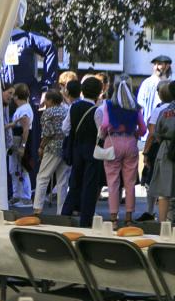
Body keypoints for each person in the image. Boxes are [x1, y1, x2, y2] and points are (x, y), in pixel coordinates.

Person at [99, 80, 146, 226]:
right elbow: (143, 129)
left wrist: (102, 135)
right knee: (130, 182)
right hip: (130, 142)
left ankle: (113, 218)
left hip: (113, 142)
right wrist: (135, 134)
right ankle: (129, 217)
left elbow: (105, 124)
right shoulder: (135, 106)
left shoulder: (108, 104)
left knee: (113, 181)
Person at [62, 76, 105, 228]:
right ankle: (86, 220)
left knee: (74, 182)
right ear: (98, 93)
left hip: (76, 149)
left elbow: (65, 128)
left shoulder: (73, 107)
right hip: (92, 151)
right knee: (90, 185)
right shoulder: (97, 110)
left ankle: (65, 214)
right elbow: (101, 133)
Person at [148, 83, 175, 223]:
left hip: (166, 148)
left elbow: (156, 133)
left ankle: (163, 224)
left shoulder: (165, 112)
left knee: (164, 190)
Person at [7, 83, 34, 207]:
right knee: (14, 169)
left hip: (20, 140)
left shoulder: (25, 109)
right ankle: (17, 195)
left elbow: (26, 129)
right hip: (16, 140)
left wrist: (22, 146)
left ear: (17, 96)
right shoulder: (22, 108)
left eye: (13, 94)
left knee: (22, 169)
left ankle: (26, 197)